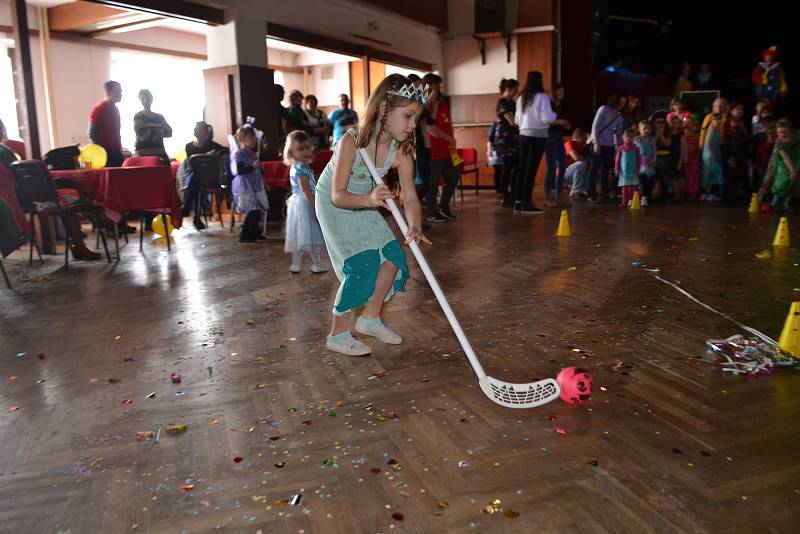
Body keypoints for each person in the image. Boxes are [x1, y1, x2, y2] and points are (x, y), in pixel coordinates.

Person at [315, 74, 429, 356]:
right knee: (363, 263)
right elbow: (338, 195)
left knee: (392, 257)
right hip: (336, 205)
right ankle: (338, 334)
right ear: (383, 110)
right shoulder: (351, 142)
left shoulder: (401, 150)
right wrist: (368, 199)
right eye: (408, 116)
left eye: (416, 118)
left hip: (368, 200)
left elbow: (411, 196)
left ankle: (370, 318)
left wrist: (414, 225)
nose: (413, 125)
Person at [514, 71, 568, 213]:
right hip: (537, 136)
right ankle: (526, 203)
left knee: (522, 169)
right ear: (540, 81)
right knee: (530, 170)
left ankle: (518, 202)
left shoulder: (521, 98)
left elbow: (516, 120)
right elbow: (547, 119)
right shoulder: (542, 97)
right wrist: (556, 116)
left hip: (523, 135)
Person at [283, 130, 326, 274]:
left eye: (308, 147)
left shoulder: (297, 166)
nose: (305, 152)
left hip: (298, 204)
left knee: (301, 236)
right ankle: (317, 264)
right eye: (300, 149)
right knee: (311, 235)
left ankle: (296, 264)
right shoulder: (301, 167)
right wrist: (314, 208)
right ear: (291, 152)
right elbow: (306, 190)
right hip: (305, 204)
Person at [424, 73, 461, 221]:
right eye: (436, 85)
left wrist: (450, 139)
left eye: (439, 85)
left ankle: (444, 205)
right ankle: (432, 211)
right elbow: (430, 128)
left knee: (454, 175)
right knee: (432, 182)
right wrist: (448, 138)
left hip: (448, 149)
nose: (439, 88)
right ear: (429, 86)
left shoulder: (442, 101)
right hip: (434, 150)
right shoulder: (426, 104)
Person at [179, 121, 226, 230]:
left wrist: (215, 153)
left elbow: (226, 150)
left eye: (198, 128)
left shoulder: (211, 145)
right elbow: (191, 165)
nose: (195, 130)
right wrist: (205, 155)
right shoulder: (189, 146)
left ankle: (187, 207)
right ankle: (196, 218)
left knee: (194, 181)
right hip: (196, 177)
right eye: (195, 128)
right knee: (195, 180)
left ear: (205, 132)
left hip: (210, 178)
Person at [230, 125, 269, 243]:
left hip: (255, 185)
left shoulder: (251, 153)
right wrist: (253, 166)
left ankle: (255, 231)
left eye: (254, 137)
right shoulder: (240, 154)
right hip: (246, 186)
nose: (254, 140)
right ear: (242, 140)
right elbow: (240, 170)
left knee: (257, 208)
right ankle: (245, 232)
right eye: (250, 138)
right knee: (252, 209)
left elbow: (256, 171)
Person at [587, 93, 626, 201]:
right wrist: (597, 143)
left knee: (606, 169)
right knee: (594, 168)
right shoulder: (604, 109)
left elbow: (618, 134)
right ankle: (591, 193)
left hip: (609, 145)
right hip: (597, 142)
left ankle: (605, 192)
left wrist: (618, 146)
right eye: (621, 101)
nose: (622, 104)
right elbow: (595, 126)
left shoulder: (619, 117)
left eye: (624, 103)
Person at [761, 119, 799, 211]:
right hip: (783, 163)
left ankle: (786, 204)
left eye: (785, 132)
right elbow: (785, 158)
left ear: (791, 132)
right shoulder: (779, 143)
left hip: (796, 160)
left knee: (793, 183)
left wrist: (795, 171)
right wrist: (792, 171)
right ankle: (774, 202)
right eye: (780, 132)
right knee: (783, 181)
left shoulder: (797, 138)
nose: (783, 134)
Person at [494, 78, 519, 207]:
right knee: (507, 168)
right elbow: (513, 121)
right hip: (505, 141)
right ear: (508, 89)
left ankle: (514, 194)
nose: (516, 92)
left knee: (515, 168)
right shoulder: (502, 102)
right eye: (515, 90)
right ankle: (504, 194)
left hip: (514, 140)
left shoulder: (513, 102)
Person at [543, 83, 570, 207]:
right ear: (554, 92)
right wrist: (559, 121)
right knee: (551, 167)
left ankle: (559, 194)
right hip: (549, 138)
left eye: (563, 91)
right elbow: (545, 121)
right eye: (559, 91)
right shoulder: (549, 104)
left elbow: (562, 121)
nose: (562, 94)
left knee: (563, 165)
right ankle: (547, 195)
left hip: (559, 137)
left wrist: (566, 125)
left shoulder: (562, 106)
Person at [88, 80, 124, 167]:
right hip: (106, 154)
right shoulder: (99, 109)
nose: (121, 94)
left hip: (116, 152)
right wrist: (103, 152)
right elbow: (92, 133)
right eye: (117, 92)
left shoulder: (115, 109)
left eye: (121, 92)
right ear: (108, 92)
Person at [132, 89, 172, 163]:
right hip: (142, 155)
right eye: (143, 98)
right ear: (139, 100)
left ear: (152, 99)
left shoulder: (159, 117)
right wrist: (159, 130)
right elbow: (143, 136)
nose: (145, 100)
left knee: (165, 170)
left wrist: (151, 131)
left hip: (160, 153)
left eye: (148, 98)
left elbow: (169, 132)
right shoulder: (138, 116)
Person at [722, 112, 752, 203]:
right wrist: (728, 159)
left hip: (742, 159)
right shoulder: (728, 136)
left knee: (744, 180)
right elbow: (725, 148)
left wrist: (748, 158)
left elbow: (747, 148)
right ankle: (729, 199)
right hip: (732, 159)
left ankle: (747, 199)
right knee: (731, 181)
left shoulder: (744, 135)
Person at [615, 128, 641, 207]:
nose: (629, 138)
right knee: (624, 187)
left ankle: (632, 201)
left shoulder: (636, 148)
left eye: (631, 136)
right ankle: (624, 201)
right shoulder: (621, 148)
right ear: (623, 137)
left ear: (634, 138)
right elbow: (617, 160)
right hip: (623, 172)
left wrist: (638, 169)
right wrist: (616, 168)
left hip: (633, 171)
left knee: (632, 187)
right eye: (627, 136)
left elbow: (638, 159)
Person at [701, 114, 724, 201]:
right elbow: (709, 143)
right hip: (711, 156)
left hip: (713, 155)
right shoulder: (712, 130)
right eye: (716, 120)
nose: (718, 122)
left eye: (719, 120)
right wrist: (713, 154)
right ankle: (710, 193)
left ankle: (710, 192)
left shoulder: (716, 130)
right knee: (712, 174)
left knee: (711, 174)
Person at [634, 120, 657, 207]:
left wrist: (654, 160)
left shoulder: (652, 140)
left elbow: (654, 151)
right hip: (641, 163)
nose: (647, 131)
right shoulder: (636, 140)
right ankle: (643, 197)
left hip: (649, 163)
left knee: (650, 180)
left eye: (648, 128)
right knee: (642, 180)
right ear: (640, 130)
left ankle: (647, 196)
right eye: (644, 129)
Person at [564, 128, 589, 200]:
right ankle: (575, 191)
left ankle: (584, 189)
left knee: (589, 165)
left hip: (573, 174)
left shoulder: (582, 146)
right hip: (564, 174)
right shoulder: (569, 143)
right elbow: (576, 158)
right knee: (581, 163)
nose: (585, 140)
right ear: (579, 138)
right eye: (584, 138)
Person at [678, 117, 701, 199]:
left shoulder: (696, 136)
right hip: (687, 159)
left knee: (694, 176)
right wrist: (680, 163)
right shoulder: (683, 137)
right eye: (687, 123)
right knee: (687, 175)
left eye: (690, 123)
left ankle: (694, 192)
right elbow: (682, 151)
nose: (688, 124)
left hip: (694, 158)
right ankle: (687, 191)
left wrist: (697, 158)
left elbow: (698, 148)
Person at [486, 121, 503, 198]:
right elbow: (489, 139)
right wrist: (489, 150)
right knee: (498, 172)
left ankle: (505, 191)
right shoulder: (495, 125)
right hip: (496, 151)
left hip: (508, 151)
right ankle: (499, 191)